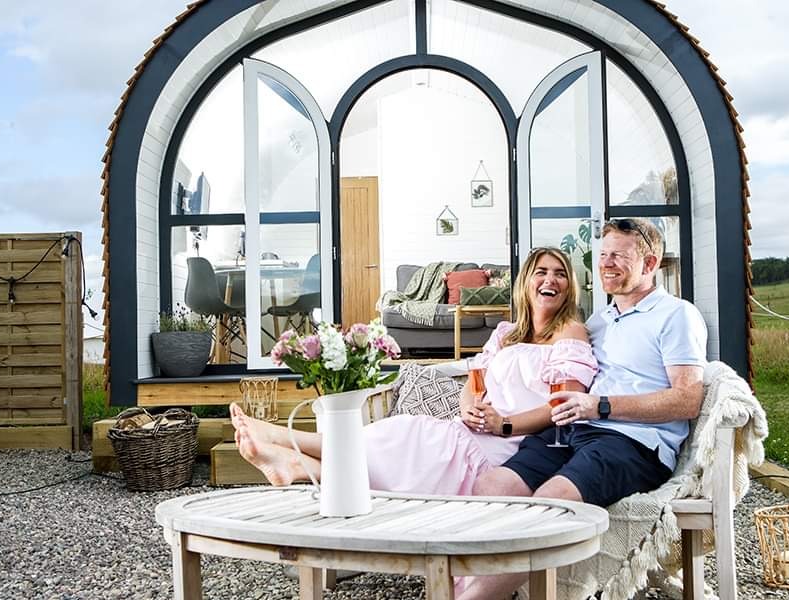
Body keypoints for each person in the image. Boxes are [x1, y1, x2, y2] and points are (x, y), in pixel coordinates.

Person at [459, 218, 708, 600]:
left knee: (548, 504)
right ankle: (482, 586)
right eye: (603, 255)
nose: (606, 264)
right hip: (575, 432)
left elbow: (688, 398)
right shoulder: (599, 320)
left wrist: (600, 406)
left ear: (650, 264)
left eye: (619, 257)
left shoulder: (676, 315)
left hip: (630, 444)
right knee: (491, 488)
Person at [231, 247, 598, 496]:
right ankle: (294, 462)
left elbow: (562, 405)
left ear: (569, 287)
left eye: (560, 274)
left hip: (510, 443)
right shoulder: (506, 334)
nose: (550, 280)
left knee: (406, 439)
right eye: (541, 272)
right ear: (526, 283)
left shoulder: (570, 333)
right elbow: (475, 378)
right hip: (470, 428)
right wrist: (468, 405)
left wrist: (503, 424)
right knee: (399, 433)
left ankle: (287, 444)